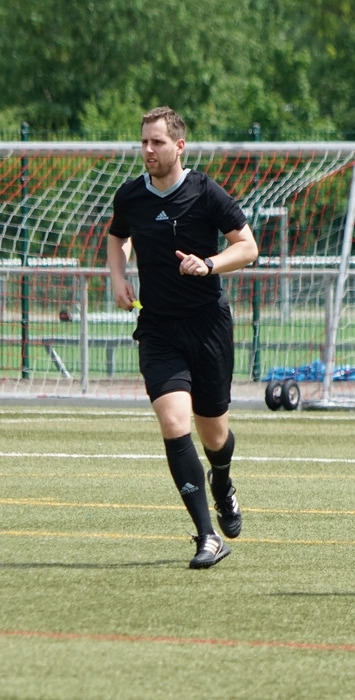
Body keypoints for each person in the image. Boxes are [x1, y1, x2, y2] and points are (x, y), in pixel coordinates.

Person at [107, 106, 259, 569]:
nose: (148, 150)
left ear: (179, 146)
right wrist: (116, 278)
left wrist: (209, 263)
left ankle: (223, 482)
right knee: (174, 423)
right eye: (144, 142)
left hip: (208, 325)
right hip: (158, 328)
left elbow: (248, 247)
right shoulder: (130, 195)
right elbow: (117, 237)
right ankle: (207, 536)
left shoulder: (205, 191)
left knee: (214, 431)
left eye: (157, 142)